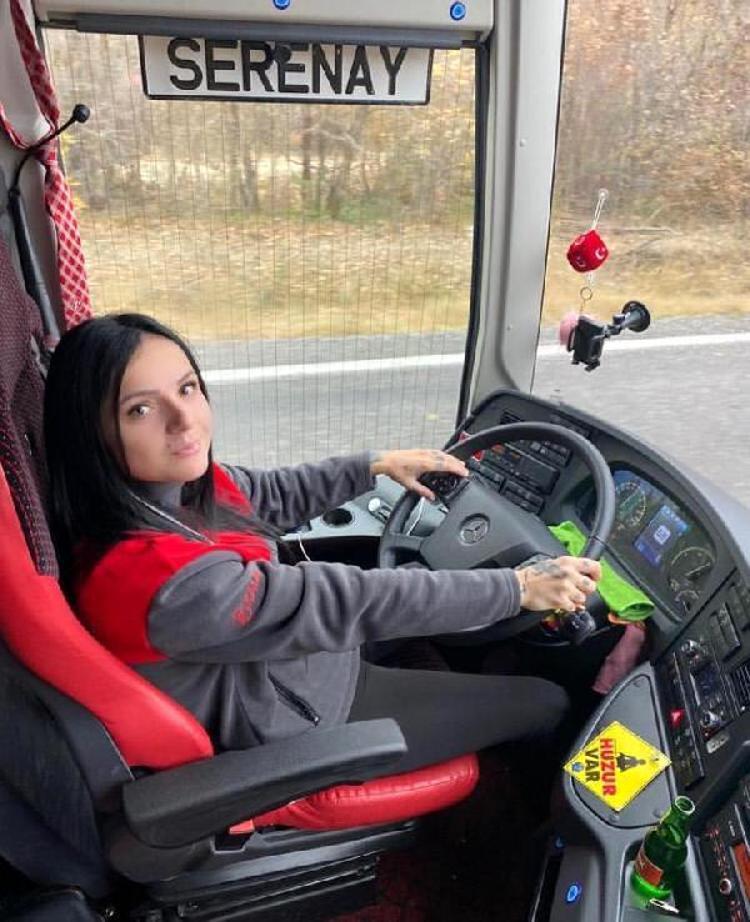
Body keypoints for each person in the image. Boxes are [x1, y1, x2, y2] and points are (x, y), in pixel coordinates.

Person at [43, 313, 602, 773]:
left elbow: (267, 493)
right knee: (546, 702)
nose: (184, 419)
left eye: (187, 388)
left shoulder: (170, 490)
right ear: (92, 435)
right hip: (303, 717)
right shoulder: (162, 583)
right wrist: (516, 588)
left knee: (424, 600)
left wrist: (376, 466)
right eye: (140, 409)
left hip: (287, 662)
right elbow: (343, 601)